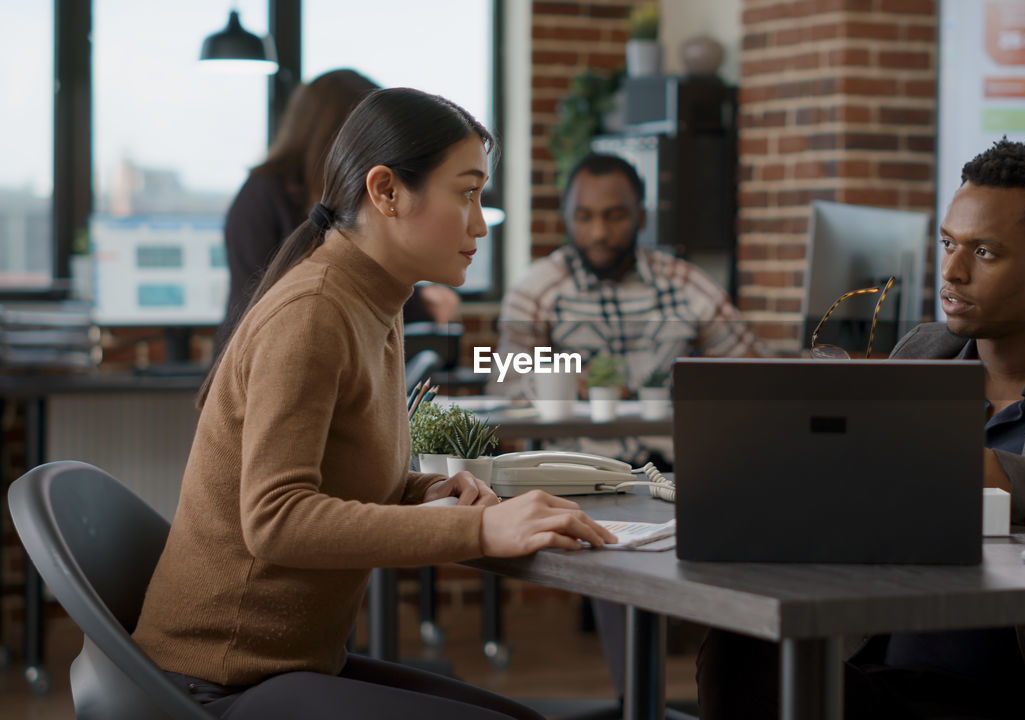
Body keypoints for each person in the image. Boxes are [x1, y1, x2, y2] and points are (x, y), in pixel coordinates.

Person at [133, 88, 616, 720]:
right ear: (386, 191)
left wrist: (424, 491)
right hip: (219, 683)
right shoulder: (314, 312)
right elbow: (276, 520)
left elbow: (339, 474)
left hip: (288, 667)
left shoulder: (374, 304)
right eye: (467, 193)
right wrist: (476, 527)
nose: (480, 222)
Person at [696, 139, 1025, 720]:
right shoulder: (925, 350)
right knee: (738, 648)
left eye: (984, 252)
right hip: (889, 664)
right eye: (949, 244)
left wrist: (993, 473)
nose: (952, 272)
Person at [492, 152, 761, 465]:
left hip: (677, 466)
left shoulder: (685, 283)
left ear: (641, 217)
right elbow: (504, 391)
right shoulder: (536, 289)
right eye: (584, 217)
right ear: (567, 217)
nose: (599, 233)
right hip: (574, 469)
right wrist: (561, 385)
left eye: (615, 216)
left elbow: (753, 371)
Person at [216, 69, 458, 353]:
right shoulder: (266, 194)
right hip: (264, 354)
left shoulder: (336, 195)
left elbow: (367, 269)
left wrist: (420, 300)